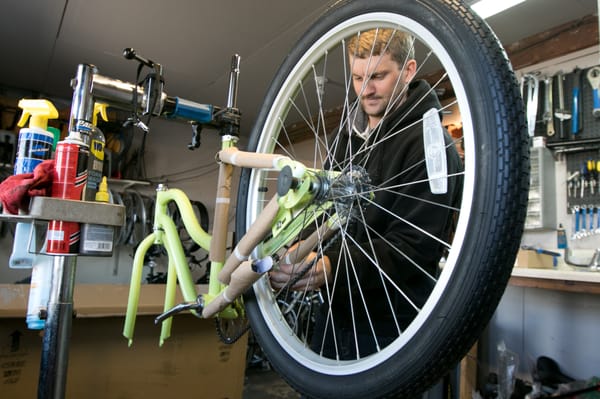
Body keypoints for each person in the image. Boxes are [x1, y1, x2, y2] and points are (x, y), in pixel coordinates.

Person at [269, 28, 463, 359]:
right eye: (358, 78)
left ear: (409, 70)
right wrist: (295, 250)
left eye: (378, 76)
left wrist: (331, 266)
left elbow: (416, 248)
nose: (366, 90)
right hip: (335, 311)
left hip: (394, 321)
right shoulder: (343, 137)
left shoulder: (431, 145)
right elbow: (324, 210)